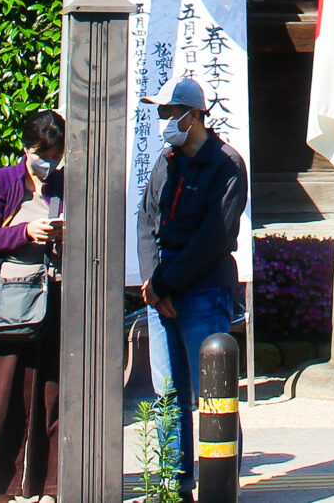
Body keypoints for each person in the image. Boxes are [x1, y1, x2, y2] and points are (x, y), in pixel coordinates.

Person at [139, 76, 249, 500]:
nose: (166, 120)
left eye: (171, 113)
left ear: (195, 115)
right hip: (163, 290)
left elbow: (216, 236)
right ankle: (174, 482)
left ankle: (221, 483)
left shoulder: (226, 163)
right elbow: (146, 220)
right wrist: (154, 282)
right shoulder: (166, 161)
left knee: (213, 393)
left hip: (204, 290)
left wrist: (165, 281)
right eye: (163, 113)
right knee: (169, 392)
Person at [0, 109, 66, 503]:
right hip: (8, 300)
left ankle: (49, 486)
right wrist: (26, 231)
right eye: (43, 153)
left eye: (56, 155)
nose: (49, 163)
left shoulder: (66, 183)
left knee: (51, 394)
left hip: (53, 296)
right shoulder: (2, 181)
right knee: (2, 396)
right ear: (27, 148)